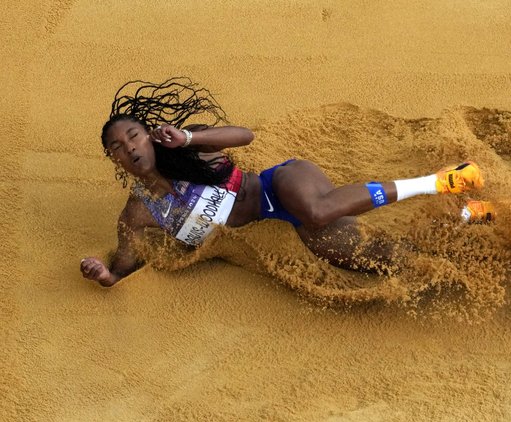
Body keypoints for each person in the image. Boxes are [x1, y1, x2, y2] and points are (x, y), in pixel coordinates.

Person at [80, 78, 487, 287]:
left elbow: (245, 137)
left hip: (282, 186)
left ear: (147, 134)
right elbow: (123, 265)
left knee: (316, 210)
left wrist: (189, 137)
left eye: (132, 135)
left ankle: (437, 182)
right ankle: (472, 219)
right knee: (386, 259)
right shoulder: (139, 211)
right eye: (117, 147)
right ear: (114, 159)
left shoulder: (188, 148)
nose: (128, 147)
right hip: (281, 232)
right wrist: (104, 274)